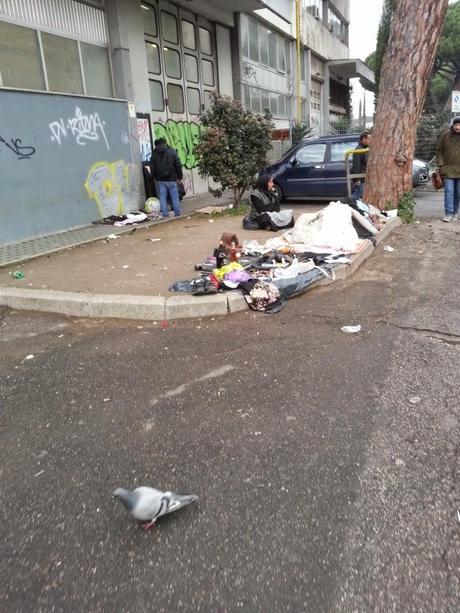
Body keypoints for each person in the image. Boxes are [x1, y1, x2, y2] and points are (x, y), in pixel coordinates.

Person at [150, 137, 183, 218]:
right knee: (174, 197)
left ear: (156, 145)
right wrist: (179, 177)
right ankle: (177, 214)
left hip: (161, 180)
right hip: (172, 179)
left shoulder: (154, 153)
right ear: (165, 143)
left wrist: (156, 177)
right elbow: (178, 164)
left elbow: (152, 167)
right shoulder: (172, 151)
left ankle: (165, 215)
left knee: (162, 198)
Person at [436, 116, 460, 222]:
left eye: (459, 125)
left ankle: (455, 213)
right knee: (449, 192)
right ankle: (448, 213)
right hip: (447, 169)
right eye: (456, 125)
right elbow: (439, 151)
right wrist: (441, 165)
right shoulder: (445, 135)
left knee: (458, 193)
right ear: (453, 125)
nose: (457, 127)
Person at [351, 131, 370, 203]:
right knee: (358, 195)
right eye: (369, 139)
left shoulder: (366, 148)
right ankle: (349, 206)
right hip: (361, 178)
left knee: (360, 195)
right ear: (363, 139)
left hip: (365, 176)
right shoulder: (359, 149)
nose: (370, 140)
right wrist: (356, 179)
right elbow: (356, 165)